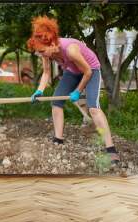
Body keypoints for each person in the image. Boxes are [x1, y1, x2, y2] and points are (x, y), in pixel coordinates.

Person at [27, 16, 119, 163]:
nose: (40, 54)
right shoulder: (46, 51)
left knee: (93, 109)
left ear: (51, 44)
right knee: (56, 104)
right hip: (72, 71)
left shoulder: (70, 50)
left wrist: (78, 90)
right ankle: (58, 139)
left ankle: (111, 149)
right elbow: (46, 73)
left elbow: (87, 72)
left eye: (42, 51)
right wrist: (39, 90)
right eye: (39, 52)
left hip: (91, 69)